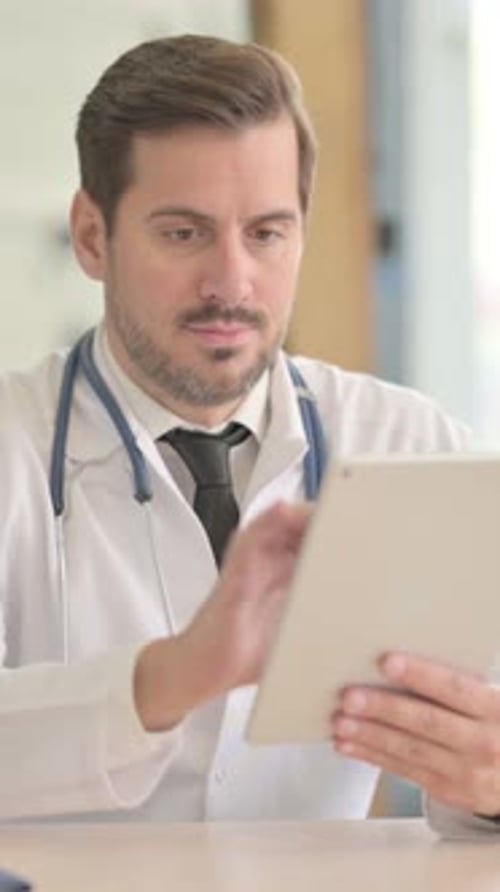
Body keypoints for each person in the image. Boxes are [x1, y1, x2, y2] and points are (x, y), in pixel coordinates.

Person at [0, 33, 498, 836]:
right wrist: (170, 678)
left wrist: (488, 782)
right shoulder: (11, 448)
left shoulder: (408, 443)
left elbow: (468, 811)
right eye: (184, 233)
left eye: (266, 233)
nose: (231, 283)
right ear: (93, 237)